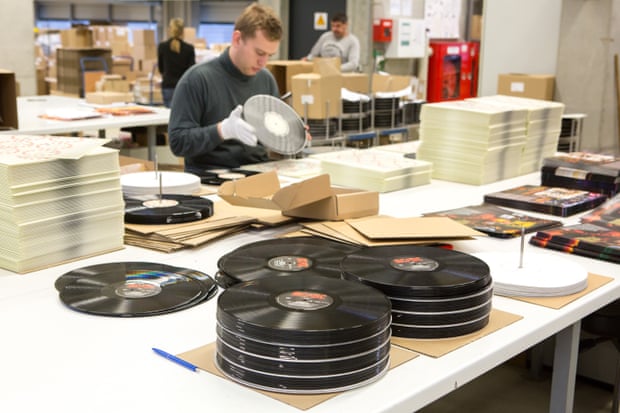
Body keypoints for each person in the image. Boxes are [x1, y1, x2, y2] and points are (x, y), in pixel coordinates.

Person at [167, 3, 282, 173]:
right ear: (237, 39)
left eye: (269, 55)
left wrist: (291, 132)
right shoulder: (197, 80)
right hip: (211, 178)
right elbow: (178, 143)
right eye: (259, 53)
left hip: (258, 173)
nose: (263, 62)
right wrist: (221, 131)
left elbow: (272, 135)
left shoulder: (266, 80)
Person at [157, 18, 196, 108]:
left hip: (168, 85)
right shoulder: (189, 48)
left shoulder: (162, 47)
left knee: (168, 116)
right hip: (184, 87)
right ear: (183, 31)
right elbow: (192, 71)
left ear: (169, 30)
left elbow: (161, 68)